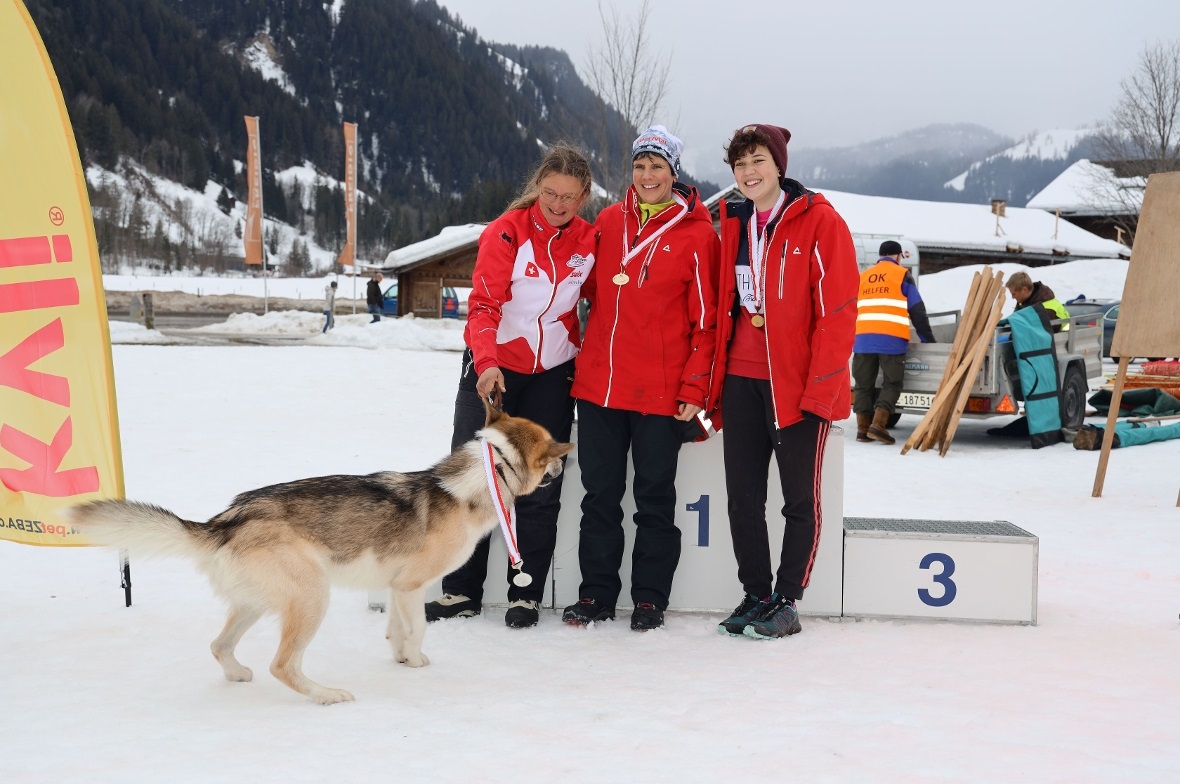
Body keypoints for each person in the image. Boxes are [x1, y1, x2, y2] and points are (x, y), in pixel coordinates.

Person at [424, 144, 597, 629]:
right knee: (472, 477)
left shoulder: (589, 240)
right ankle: (460, 590)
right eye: (549, 194)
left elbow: (603, 301)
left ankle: (526, 594)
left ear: (583, 196)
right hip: (493, 368)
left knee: (539, 483)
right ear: (537, 188)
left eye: (568, 196)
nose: (557, 205)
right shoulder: (507, 232)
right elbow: (483, 305)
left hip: (553, 371)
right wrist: (486, 362)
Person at [561, 125, 719, 632]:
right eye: (641, 166)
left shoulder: (697, 234)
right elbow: (576, 285)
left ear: (675, 174)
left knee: (654, 499)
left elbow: (707, 322)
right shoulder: (608, 221)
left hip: (660, 394)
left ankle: (649, 598)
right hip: (601, 389)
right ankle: (596, 594)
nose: (648, 175)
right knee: (599, 498)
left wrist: (696, 389)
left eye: (659, 167)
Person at [707, 123, 859, 640]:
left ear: (779, 165)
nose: (749, 173)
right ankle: (755, 593)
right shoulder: (733, 220)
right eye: (740, 164)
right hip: (740, 378)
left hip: (795, 383)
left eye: (758, 161)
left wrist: (822, 390)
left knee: (799, 499)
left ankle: (787, 599)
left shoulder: (819, 222)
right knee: (742, 496)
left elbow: (838, 313)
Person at [851, 240, 936, 445]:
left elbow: (850, 309)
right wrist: (928, 340)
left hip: (862, 339)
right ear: (898, 256)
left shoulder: (863, 277)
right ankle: (878, 425)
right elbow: (917, 311)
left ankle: (862, 429)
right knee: (893, 382)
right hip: (890, 339)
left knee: (863, 385)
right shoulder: (902, 275)